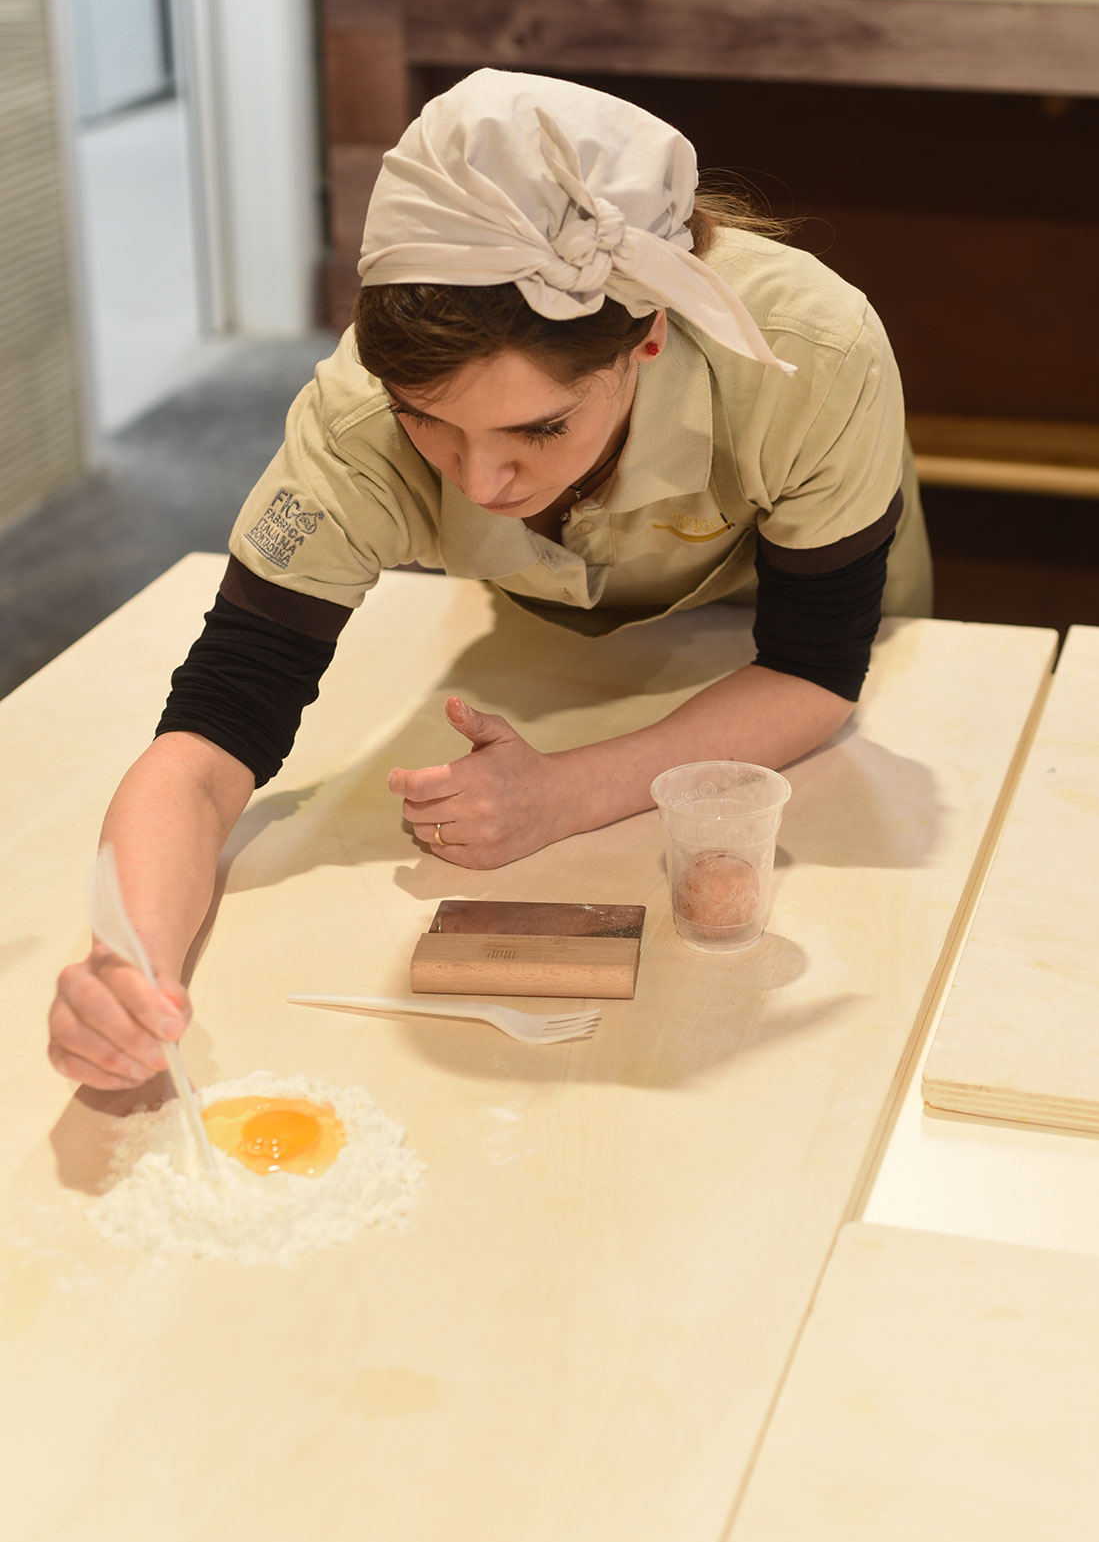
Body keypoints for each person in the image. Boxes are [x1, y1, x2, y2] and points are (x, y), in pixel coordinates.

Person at [47, 69, 931, 1092]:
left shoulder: (814, 354)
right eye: (432, 421)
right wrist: (129, 962)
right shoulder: (360, 422)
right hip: (558, 623)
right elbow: (208, 736)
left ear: (645, 340)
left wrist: (565, 791)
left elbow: (815, 669)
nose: (480, 480)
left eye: (539, 428)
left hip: (787, 628)